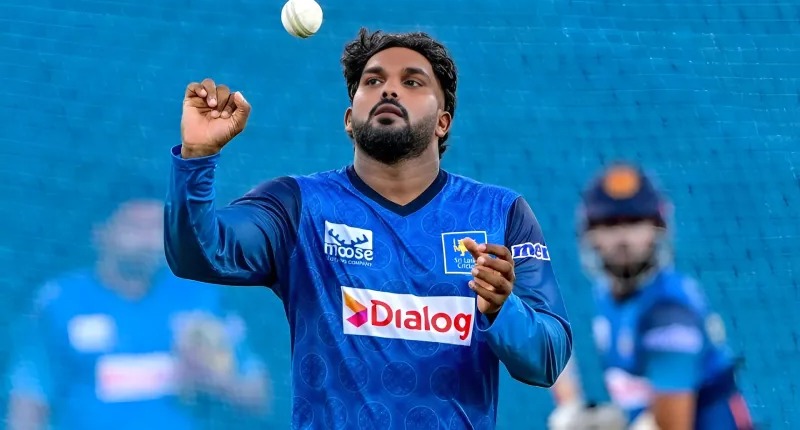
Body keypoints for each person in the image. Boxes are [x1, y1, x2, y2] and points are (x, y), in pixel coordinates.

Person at [164, 27, 573, 428]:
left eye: (412, 82)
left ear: (443, 122)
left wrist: (502, 307)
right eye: (373, 81)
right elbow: (197, 254)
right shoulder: (297, 206)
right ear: (349, 118)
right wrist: (197, 157)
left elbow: (547, 360)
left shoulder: (501, 213)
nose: (389, 90)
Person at [6, 196, 270, 430]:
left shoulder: (198, 297)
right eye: (135, 227)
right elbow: (28, 398)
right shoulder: (60, 301)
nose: (148, 241)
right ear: (101, 232)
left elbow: (257, 397)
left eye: (157, 228)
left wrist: (212, 378)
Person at [548, 163, 753, 430]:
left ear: (658, 228)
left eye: (635, 222)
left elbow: (672, 428)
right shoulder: (607, 296)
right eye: (609, 224)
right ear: (590, 234)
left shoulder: (669, 311)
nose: (622, 238)